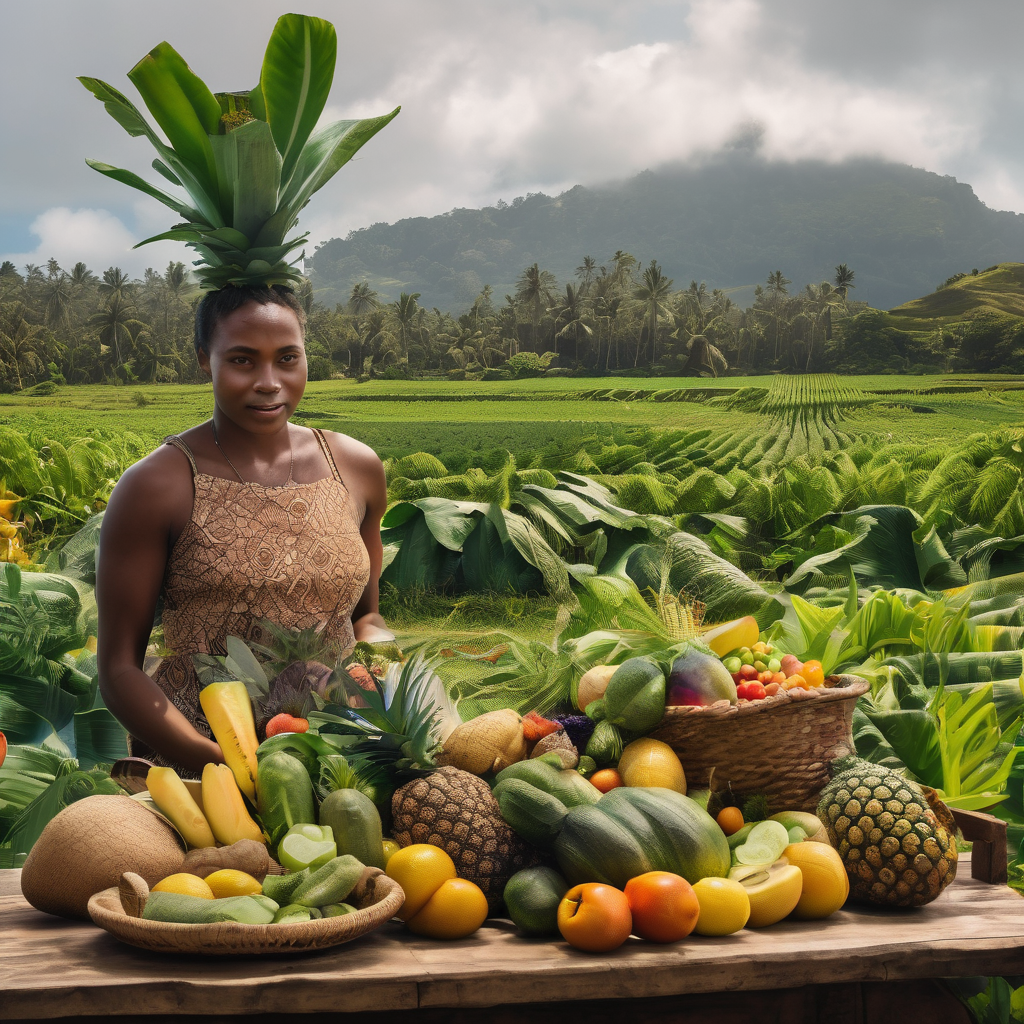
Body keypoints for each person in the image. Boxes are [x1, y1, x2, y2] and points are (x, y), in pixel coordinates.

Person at [96, 284, 393, 775]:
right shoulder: (158, 485)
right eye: (242, 360)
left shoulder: (356, 468)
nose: (269, 382)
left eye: (287, 358)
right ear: (203, 361)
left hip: (339, 756)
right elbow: (118, 669)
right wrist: (221, 760)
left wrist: (388, 677)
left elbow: (365, 620)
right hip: (199, 766)